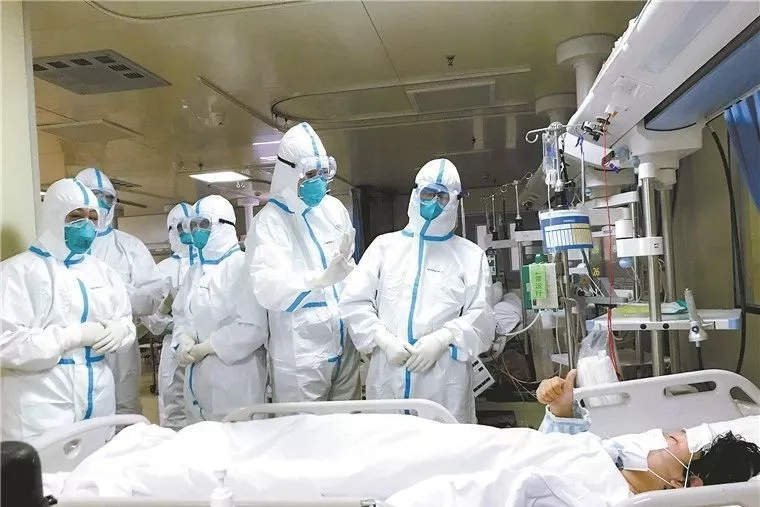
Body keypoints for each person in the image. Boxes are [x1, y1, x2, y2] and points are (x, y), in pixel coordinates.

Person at [340, 158, 496, 423]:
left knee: (444, 446)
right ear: (415, 193)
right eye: (428, 193)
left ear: (454, 201)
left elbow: (481, 317)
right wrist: (382, 339)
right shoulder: (384, 248)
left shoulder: (470, 256)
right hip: (389, 375)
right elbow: (354, 302)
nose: (434, 202)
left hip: (444, 382)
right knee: (390, 444)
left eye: (442, 197)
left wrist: (443, 339)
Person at [0, 178, 135, 440]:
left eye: (92, 217)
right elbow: (5, 343)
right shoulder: (16, 273)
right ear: (53, 216)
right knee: (45, 465)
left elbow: (125, 322)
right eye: (75, 216)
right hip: (41, 402)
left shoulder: (104, 273)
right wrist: (72, 336)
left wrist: (122, 331)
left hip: (99, 396)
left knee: (99, 462)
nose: (86, 226)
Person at [244, 122, 360, 402]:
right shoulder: (269, 222)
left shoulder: (333, 210)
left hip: (345, 345)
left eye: (323, 173)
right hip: (301, 358)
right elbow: (267, 287)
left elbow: (348, 271)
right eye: (310, 174)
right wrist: (319, 280)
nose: (318, 181)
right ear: (288, 172)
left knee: (348, 424)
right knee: (303, 428)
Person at [536, 369, 760, 492]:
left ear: (685, 482)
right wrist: (561, 407)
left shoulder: (616, 495)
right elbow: (552, 449)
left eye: (672, 440)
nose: (658, 436)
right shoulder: (611, 455)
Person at [173, 195, 268, 422]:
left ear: (224, 225)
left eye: (203, 224)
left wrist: (210, 346)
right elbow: (181, 315)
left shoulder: (242, 267)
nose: (196, 231)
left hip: (235, 380)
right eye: (192, 225)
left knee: (238, 438)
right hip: (196, 381)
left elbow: (253, 328)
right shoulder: (195, 271)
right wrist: (183, 338)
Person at [75, 168, 162, 416]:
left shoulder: (129, 247)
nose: (101, 204)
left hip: (120, 345)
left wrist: (115, 296)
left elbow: (152, 298)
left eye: (108, 198)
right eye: (95, 196)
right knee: (81, 412)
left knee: (124, 410)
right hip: (76, 345)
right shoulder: (64, 247)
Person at [141, 203, 196, 431]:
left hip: (209, 346)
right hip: (173, 348)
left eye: (192, 225)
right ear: (170, 231)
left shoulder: (213, 265)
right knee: (174, 413)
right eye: (180, 227)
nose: (186, 232)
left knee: (210, 411)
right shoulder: (160, 271)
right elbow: (152, 323)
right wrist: (167, 310)